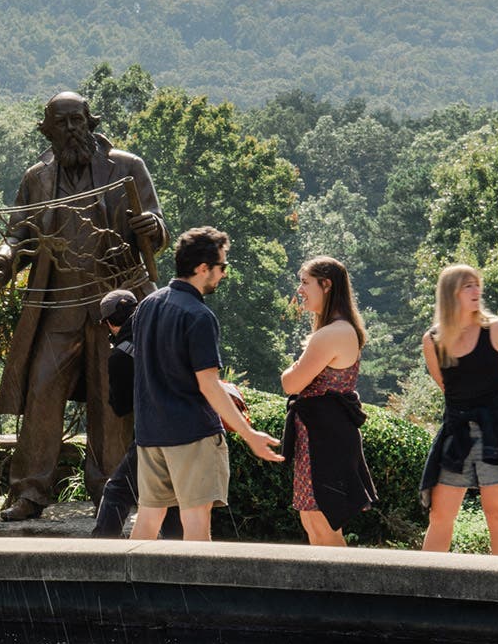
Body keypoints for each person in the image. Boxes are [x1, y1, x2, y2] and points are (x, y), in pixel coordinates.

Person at [0, 92, 165, 521]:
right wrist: (4, 260)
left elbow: (157, 225)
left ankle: (110, 492)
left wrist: (151, 227)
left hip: (113, 308)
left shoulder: (126, 167)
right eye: (61, 123)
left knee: (110, 399)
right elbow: (18, 233)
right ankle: (29, 492)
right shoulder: (37, 177)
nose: (71, 130)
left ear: (91, 122)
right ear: (47, 129)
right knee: (42, 392)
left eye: (78, 121)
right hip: (58, 306)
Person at [128, 227, 283, 542]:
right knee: (196, 524)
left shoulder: (147, 305)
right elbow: (209, 385)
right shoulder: (199, 316)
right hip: (192, 434)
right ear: (203, 269)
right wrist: (249, 435)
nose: (224, 274)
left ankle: (129, 591)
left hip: (149, 433)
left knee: (147, 519)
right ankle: (195, 593)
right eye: (222, 266)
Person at [418, 264, 498, 555]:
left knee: (496, 514)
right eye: (468, 286)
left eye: (477, 285)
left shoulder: (497, 330)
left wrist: (491, 419)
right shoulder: (432, 340)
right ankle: (426, 585)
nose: (477, 291)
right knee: (439, 515)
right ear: (451, 293)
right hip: (456, 434)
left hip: (495, 433)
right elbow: (448, 389)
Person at [281, 256, 374, 547]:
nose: (301, 290)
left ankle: (345, 591)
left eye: (306, 283)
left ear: (327, 284)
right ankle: (325, 591)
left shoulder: (332, 334)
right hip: (320, 434)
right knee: (312, 519)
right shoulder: (338, 330)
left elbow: (290, 383)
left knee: (323, 521)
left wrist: (293, 369)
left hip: (325, 438)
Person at [90, 290, 177, 539]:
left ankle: (100, 556)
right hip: (187, 429)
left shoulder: (121, 355)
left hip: (153, 433)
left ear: (109, 323)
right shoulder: (163, 336)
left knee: (118, 490)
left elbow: (120, 407)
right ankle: (179, 557)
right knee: (172, 496)